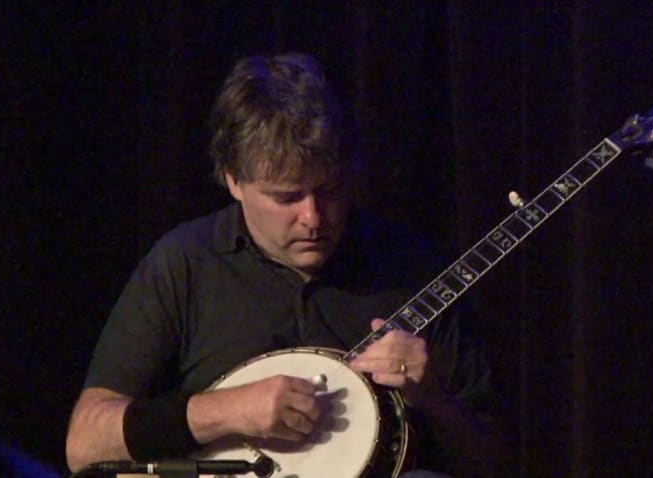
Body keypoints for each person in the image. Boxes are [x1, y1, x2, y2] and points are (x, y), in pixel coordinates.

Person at [66, 52, 506, 477]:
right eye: (286, 197)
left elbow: (490, 462)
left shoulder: (411, 266)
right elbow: (84, 445)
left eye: (330, 189)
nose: (314, 218)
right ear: (234, 181)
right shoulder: (185, 263)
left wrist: (433, 398)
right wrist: (225, 411)